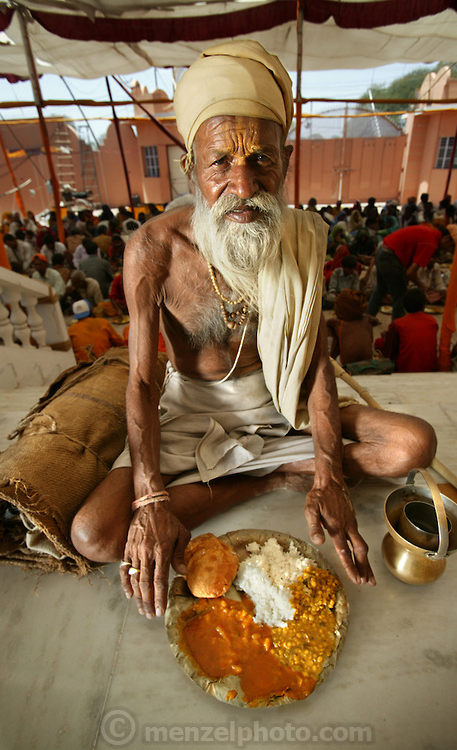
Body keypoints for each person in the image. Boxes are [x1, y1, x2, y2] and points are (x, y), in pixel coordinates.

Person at [70, 40, 436, 620]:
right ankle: (267, 481)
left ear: (286, 161)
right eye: (220, 162)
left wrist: (328, 470)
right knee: (95, 535)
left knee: (413, 445)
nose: (244, 185)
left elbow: (313, 362)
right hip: (191, 412)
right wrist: (151, 497)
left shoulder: (300, 236)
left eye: (261, 159)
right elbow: (140, 382)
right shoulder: (154, 247)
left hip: (280, 400)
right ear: (191, 167)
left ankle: (281, 467)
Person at [367, 225, 454, 320]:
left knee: (380, 289)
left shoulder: (430, 234)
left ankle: (367, 319)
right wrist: (424, 287)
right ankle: (397, 328)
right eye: (449, 246)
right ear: (447, 238)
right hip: (390, 255)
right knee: (400, 296)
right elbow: (411, 273)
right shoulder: (431, 242)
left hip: (383, 250)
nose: (446, 250)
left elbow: (407, 268)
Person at [379, 288, 438, 373]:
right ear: (424, 306)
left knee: (379, 342)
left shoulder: (398, 323)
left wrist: (386, 338)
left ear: (405, 306)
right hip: (429, 369)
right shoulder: (432, 321)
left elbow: (389, 353)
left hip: (404, 370)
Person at [326, 290, 379, 366]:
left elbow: (329, 349)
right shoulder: (367, 319)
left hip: (345, 362)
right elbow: (376, 321)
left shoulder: (335, 323)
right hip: (368, 360)